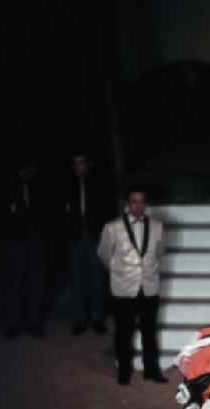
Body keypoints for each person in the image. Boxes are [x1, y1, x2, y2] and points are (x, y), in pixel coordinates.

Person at [98, 186, 167, 385]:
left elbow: (160, 252)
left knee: (149, 331)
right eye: (134, 201)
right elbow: (104, 254)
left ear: (146, 204)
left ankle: (151, 370)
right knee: (123, 331)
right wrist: (119, 271)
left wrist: (146, 270)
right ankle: (124, 371)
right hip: (123, 288)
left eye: (141, 201)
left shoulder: (158, 226)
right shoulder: (112, 227)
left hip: (149, 286)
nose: (137, 205)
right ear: (127, 204)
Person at [1, 157, 47, 339]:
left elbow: (45, 213)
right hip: (16, 243)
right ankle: (14, 324)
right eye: (29, 169)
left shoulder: (37, 187)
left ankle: (35, 323)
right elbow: (5, 216)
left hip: (35, 242)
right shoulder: (10, 187)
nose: (31, 173)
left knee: (36, 284)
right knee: (16, 284)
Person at [65, 154, 111, 336]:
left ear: (88, 165)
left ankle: (98, 318)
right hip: (76, 238)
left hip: (96, 237)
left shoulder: (99, 185)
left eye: (82, 163)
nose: (80, 167)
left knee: (97, 279)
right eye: (76, 164)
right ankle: (80, 319)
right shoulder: (68, 186)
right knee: (78, 279)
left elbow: (107, 211)